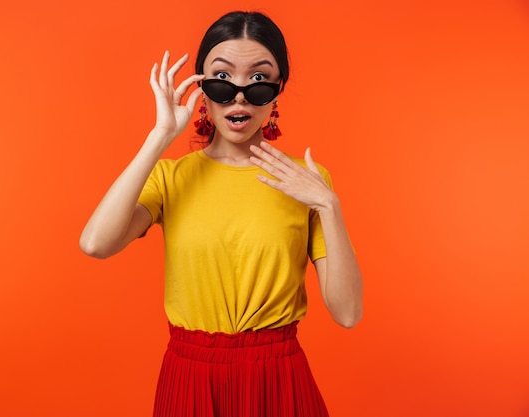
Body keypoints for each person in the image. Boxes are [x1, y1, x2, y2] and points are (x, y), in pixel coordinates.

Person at [80, 10, 363, 417]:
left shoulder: (306, 182)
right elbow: (95, 243)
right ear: (200, 89)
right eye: (223, 79)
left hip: (278, 378)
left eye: (260, 79)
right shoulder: (171, 178)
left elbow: (348, 313)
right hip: (191, 377)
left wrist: (327, 205)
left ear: (278, 91)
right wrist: (160, 136)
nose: (241, 96)